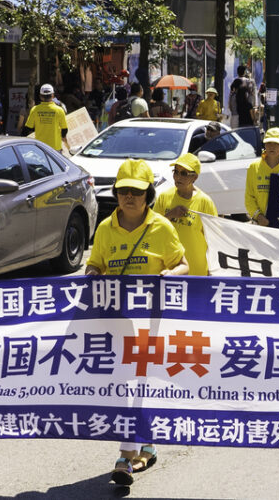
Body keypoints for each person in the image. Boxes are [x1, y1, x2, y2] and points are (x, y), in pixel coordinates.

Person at [85, 159, 189, 485]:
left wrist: (171, 273)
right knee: (123, 384)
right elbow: (95, 264)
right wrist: (92, 274)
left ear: (149, 195)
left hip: (151, 321)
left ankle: (125, 456)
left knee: (140, 381)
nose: (129, 197)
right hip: (116, 321)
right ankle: (146, 443)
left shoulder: (162, 228)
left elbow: (183, 264)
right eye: (123, 191)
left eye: (137, 191)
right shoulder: (105, 228)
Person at [152, 153, 218, 276]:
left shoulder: (205, 202)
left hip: (197, 270)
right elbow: (152, 228)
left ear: (195, 177)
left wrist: (212, 268)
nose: (178, 177)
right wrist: (170, 215)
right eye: (176, 172)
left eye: (184, 173)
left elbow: (214, 238)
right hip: (170, 270)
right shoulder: (164, 197)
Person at [244, 127, 279, 227]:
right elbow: (249, 197)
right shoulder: (253, 167)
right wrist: (259, 217)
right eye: (268, 143)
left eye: (276, 143)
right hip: (260, 224)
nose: (272, 147)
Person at [20, 84, 68, 152]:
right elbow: (64, 129)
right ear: (53, 95)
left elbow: (27, 128)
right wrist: (63, 137)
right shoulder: (59, 110)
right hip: (55, 148)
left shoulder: (35, 110)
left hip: (40, 148)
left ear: (40, 96)